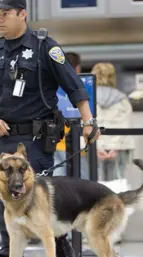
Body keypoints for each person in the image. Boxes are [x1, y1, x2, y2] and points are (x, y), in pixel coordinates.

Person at [0, 1, 100, 257]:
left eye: (6, 14)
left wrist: (89, 121)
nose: (0, 19)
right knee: (5, 205)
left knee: (44, 207)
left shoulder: (45, 47)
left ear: (23, 14)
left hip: (36, 139)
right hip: (3, 138)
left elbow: (74, 85)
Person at [91, 62, 134, 182]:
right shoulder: (122, 99)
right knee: (117, 184)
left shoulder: (87, 99)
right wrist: (115, 148)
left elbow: (85, 124)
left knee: (92, 185)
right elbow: (125, 125)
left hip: (93, 148)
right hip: (118, 149)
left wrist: (97, 147)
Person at [53, 52, 89, 180]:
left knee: (57, 182)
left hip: (54, 141)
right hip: (76, 142)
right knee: (82, 180)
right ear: (77, 67)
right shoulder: (80, 86)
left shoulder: (52, 84)